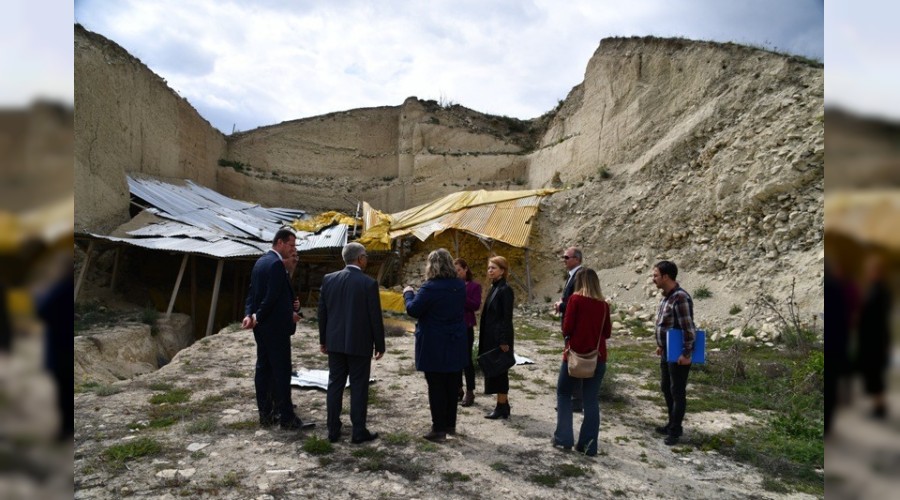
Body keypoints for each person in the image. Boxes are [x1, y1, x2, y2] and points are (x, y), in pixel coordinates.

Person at [242, 228, 311, 431]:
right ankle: (287, 418)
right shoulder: (275, 265)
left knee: (263, 370)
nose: (293, 250)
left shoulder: (260, 262)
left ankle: (266, 414)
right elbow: (270, 298)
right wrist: (256, 316)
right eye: (291, 245)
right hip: (274, 329)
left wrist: (249, 314)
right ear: (279, 243)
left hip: (263, 329)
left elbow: (252, 295)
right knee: (281, 373)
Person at [318, 242, 386, 444]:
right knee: (358, 387)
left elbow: (323, 313)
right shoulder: (368, 283)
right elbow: (375, 317)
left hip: (335, 342)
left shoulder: (329, 279)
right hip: (360, 344)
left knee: (335, 385)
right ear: (360, 258)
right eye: (365, 256)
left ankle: (332, 429)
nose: (367, 259)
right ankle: (358, 430)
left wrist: (323, 340)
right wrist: (379, 345)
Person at [403, 249, 468, 442]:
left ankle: (438, 429)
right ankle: (450, 424)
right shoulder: (460, 285)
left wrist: (408, 294)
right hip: (455, 339)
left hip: (434, 341)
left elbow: (413, 310)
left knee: (436, 386)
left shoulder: (430, 287)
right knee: (451, 384)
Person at [553, 268, 611, 456]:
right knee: (591, 400)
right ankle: (588, 445)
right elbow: (607, 333)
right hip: (597, 357)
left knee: (564, 393)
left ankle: (564, 438)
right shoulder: (603, 305)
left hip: (574, 356)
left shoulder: (575, 300)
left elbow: (567, 327)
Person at [651, 260, 696, 446]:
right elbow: (667, 324)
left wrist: (686, 353)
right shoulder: (667, 297)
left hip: (678, 351)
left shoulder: (680, 298)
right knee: (666, 387)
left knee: (677, 391)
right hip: (667, 349)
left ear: (666, 276)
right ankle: (671, 423)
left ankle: (675, 430)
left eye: (655, 275)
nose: (653, 279)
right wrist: (661, 344)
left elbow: (688, 328)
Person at [479, 256, 515, 419]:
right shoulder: (495, 287)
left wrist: (503, 340)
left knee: (500, 371)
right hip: (491, 337)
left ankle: (501, 406)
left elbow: (506, 318)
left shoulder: (505, 289)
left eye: (493, 268)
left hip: (499, 339)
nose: (490, 271)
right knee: (496, 370)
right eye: (489, 268)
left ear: (502, 270)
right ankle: (503, 404)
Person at [857, 254, 892, 419]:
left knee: (875, 372)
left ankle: (879, 406)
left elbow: (877, 316)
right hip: (870, 338)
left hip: (876, 338)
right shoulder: (874, 289)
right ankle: (878, 404)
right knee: (872, 371)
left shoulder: (881, 291)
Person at [555, 247, 585, 412]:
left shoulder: (579, 275)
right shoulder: (573, 275)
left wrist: (562, 305)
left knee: (573, 362)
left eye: (567, 257)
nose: (564, 260)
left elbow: (578, 303)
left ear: (577, 259)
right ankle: (574, 399)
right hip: (569, 324)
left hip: (574, 326)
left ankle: (575, 400)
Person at [454, 257, 482, 407]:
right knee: (455, 359)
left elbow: (475, 305)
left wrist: (461, 296)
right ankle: (458, 389)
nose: (457, 273)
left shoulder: (474, 286)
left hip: (466, 326)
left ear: (465, 269)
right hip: (452, 327)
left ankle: (470, 391)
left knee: (466, 360)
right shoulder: (451, 286)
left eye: (459, 270)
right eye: (455, 271)